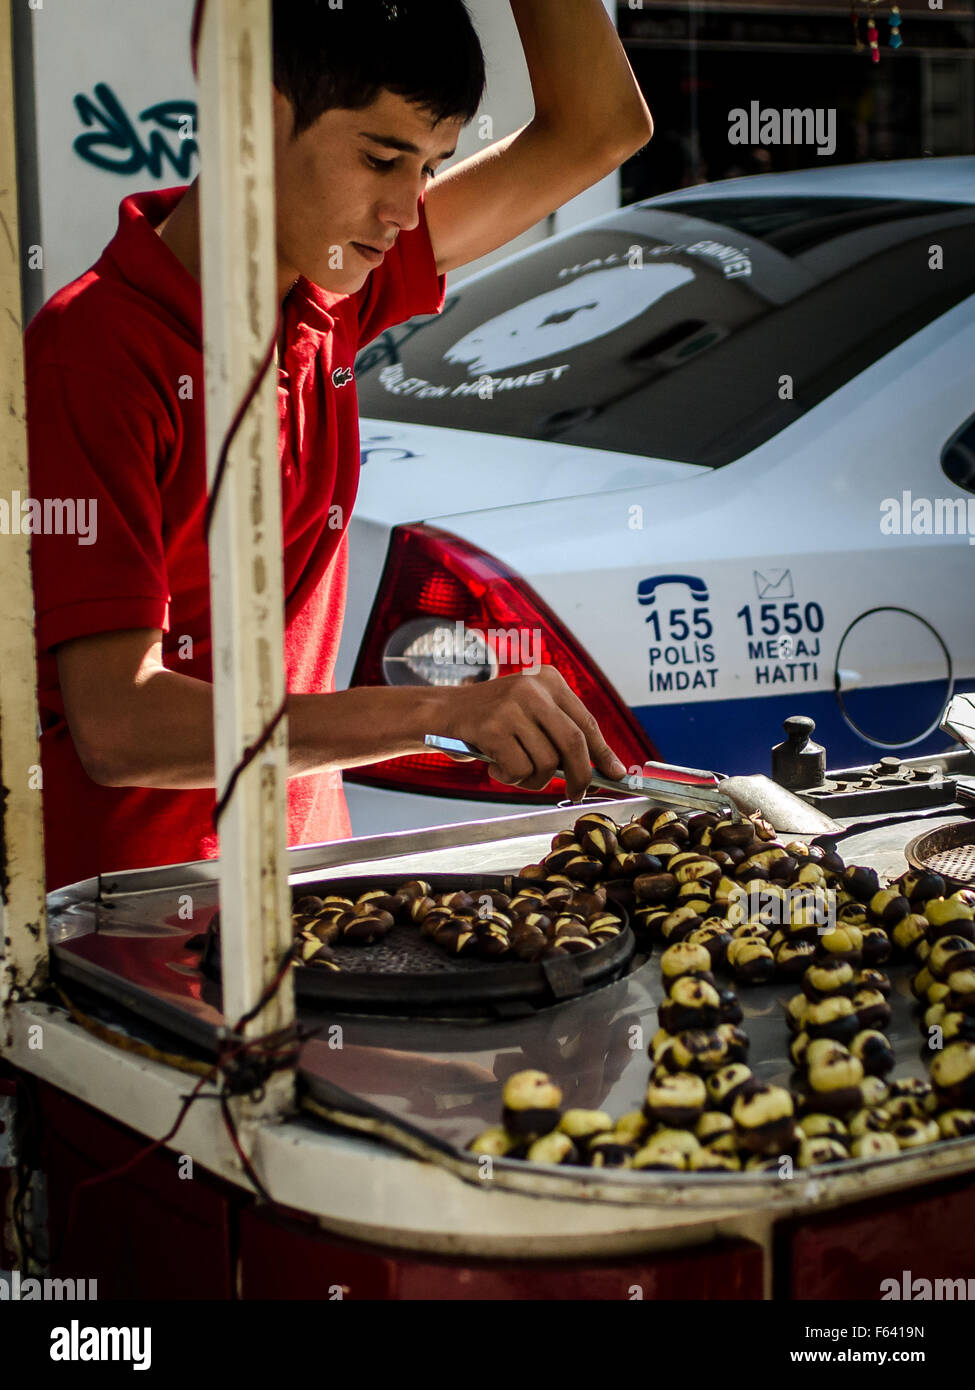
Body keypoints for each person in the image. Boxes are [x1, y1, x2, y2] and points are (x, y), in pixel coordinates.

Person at [26, 0, 653, 890]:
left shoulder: (326, 289)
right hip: (129, 926)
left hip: (305, 884)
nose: (406, 209)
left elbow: (599, 127)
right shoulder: (92, 354)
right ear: (254, 114)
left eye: (431, 167)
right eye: (380, 158)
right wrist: (440, 711)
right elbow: (121, 726)